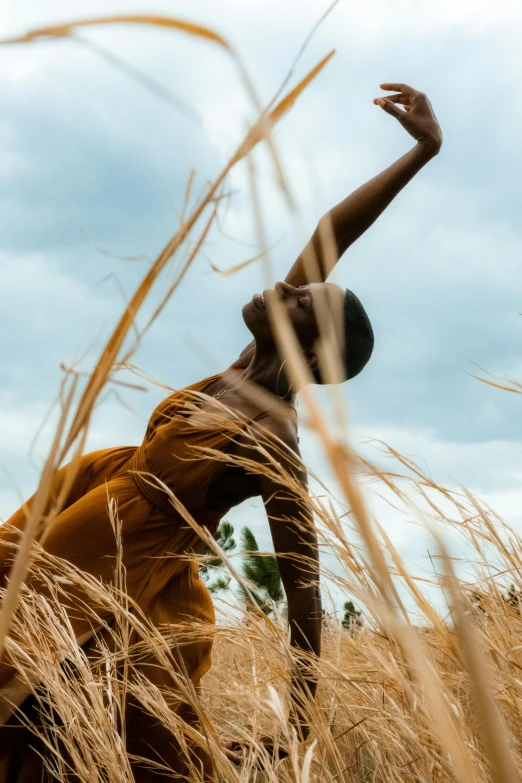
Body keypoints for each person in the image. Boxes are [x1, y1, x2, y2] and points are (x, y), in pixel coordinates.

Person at [0, 83, 442, 781]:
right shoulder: (248, 365)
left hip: (116, 577)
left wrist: (296, 723)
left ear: (309, 348)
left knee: (49, 712)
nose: (285, 288)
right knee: (39, 711)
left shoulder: (273, 436)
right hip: (84, 519)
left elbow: (304, 591)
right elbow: (333, 232)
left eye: (301, 301)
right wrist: (422, 150)